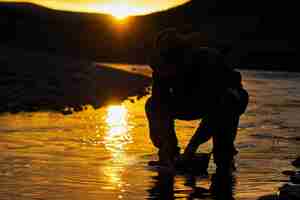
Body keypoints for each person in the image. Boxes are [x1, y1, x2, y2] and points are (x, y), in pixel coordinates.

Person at [145, 28, 249, 173]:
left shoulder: (209, 61)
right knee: (152, 105)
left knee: (222, 155)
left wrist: (191, 148)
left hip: (228, 100)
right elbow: (158, 102)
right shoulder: (161, 66)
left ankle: (225, 156)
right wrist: (165, 146)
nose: (169, 68)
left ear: (186, 54)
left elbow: (214, 113)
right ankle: (169, 154)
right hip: (191, 100)